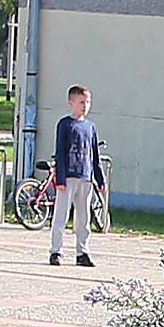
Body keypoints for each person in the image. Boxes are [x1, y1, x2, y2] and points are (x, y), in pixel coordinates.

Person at [48, 85, 107, 270]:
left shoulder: (90, 127)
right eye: (81, 102)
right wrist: (60, 178)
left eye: (88, 102)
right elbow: (60, 152)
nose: (85, 106)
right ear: (71, 102)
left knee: (83, 217)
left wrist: (100, 178)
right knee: (62, 214)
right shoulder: (65, 124)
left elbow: (94, 155)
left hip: (85, 176)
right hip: (69, 177)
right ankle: (55, 251)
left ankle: (82, 251)